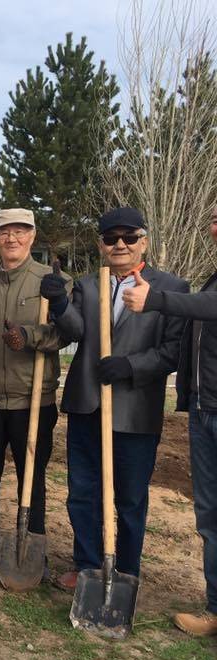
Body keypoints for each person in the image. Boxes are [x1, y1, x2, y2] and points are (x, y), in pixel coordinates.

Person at [51, 208, 187, 593]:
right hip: (87, 405)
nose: (120, 245)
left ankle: (126, 571)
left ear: (143, 241)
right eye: (111, 239)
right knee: (83, 492)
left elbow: (173, 351)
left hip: (135, 410)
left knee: (129, 497)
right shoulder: (89, 284)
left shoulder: (172, 289)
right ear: (101, 245)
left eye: (129, 237)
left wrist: (130, 365)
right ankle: (88, 564)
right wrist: (61, 306)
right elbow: (75, 329)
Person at [0, 208, 72, 567]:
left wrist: (30, 336)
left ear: (32, 237)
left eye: (20, 231)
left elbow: (68, 332)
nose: (12, 238)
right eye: (5, 232)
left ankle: (31, 548)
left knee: (32, 481)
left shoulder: (51, 283)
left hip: (32, 401)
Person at [122, 206, 217, 635]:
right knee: (210, 516)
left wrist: (156, 299)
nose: (214, 226)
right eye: (214, 218)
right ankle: (214, 609)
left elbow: (208, 306)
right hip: (203, 408)